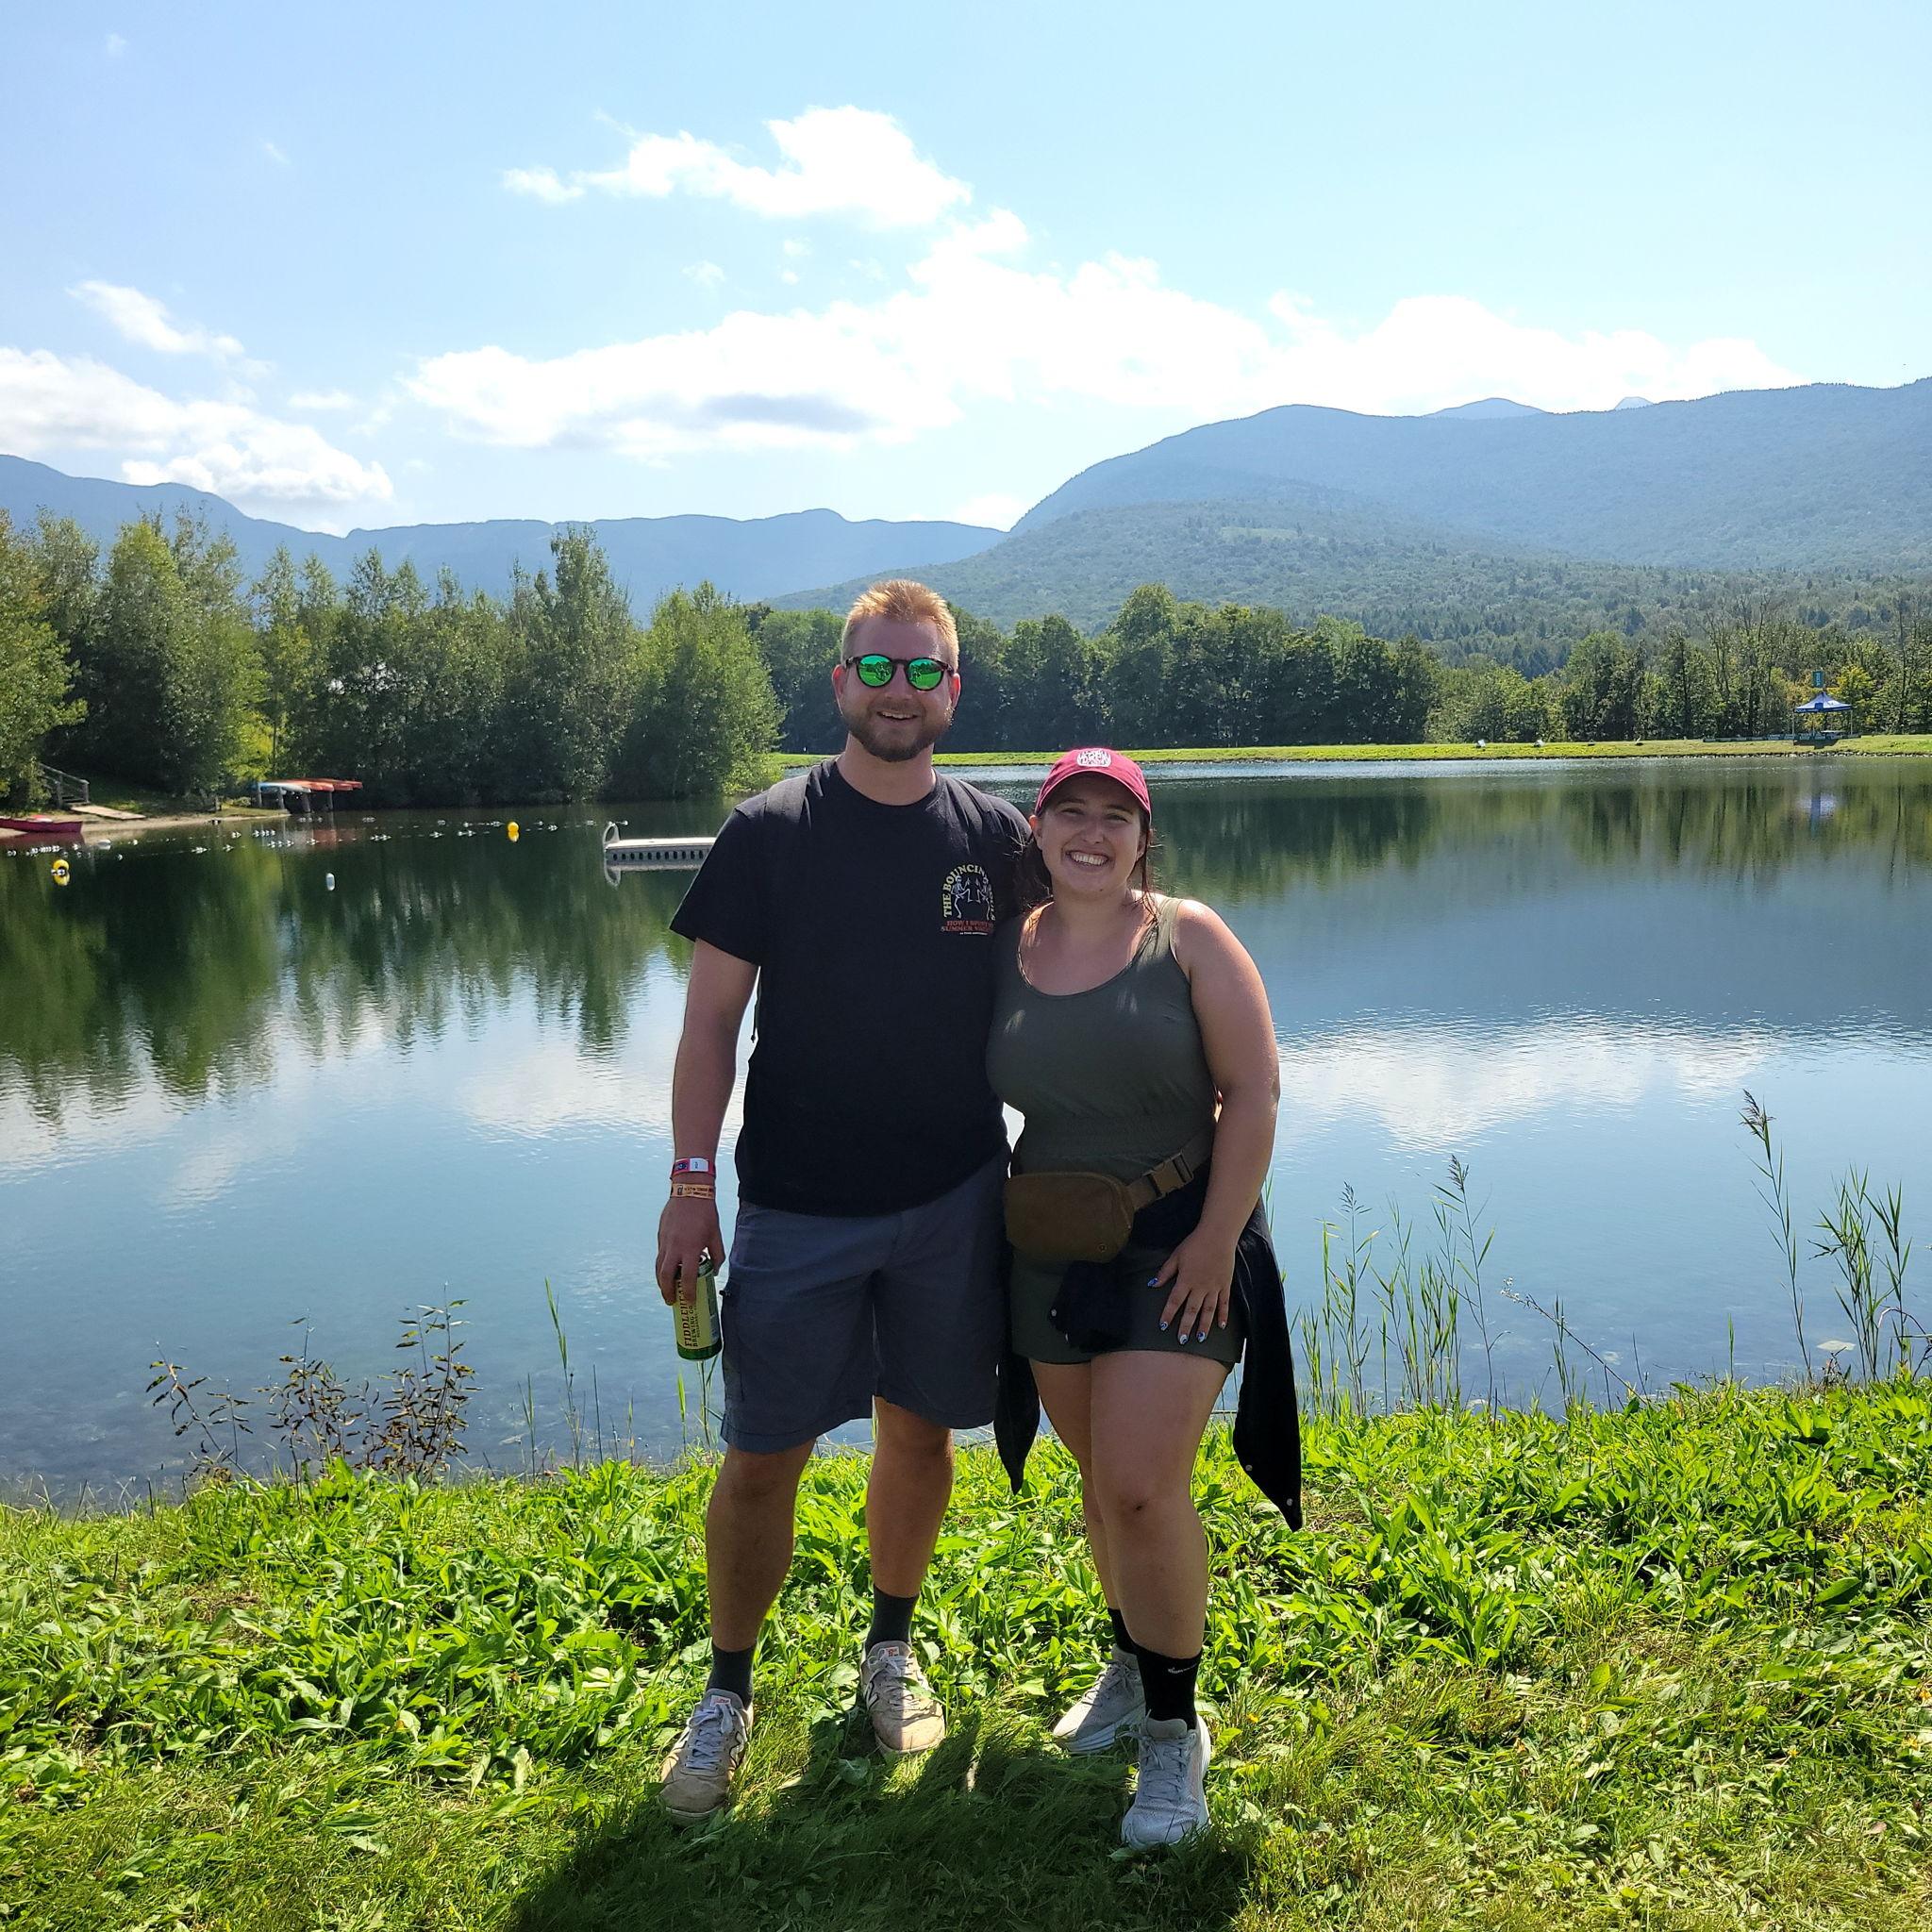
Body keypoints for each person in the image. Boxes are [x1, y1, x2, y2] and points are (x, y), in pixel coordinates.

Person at [654, 579, 1030, 1822]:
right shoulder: (769, 832)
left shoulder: (994, 840)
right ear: (840, 684)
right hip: (800, 1205)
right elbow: (710, 1025)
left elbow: (1092, 958)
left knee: (919, 1432)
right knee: (764, 1455)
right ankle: (725, 1692)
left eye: (925, 673)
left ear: (955, 692)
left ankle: (890, 1649)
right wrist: (690, 1182)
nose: (900, 694)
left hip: (955, 1197)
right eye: (878, 670)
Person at [986, 746, 1300, 1849]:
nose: (1090, 831)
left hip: (1181, 1241)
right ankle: (1129, 1658)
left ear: (1140, 838)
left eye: (1112, 816)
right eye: (1068, 811)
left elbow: (1253, 1087)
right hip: (1053, 1250)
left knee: (1136, 1485)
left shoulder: (1187, 935)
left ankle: (1174, 1735)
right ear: (1036, 829)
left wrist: (1220, 1235)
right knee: (1096, 1477)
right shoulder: (1005, 949)